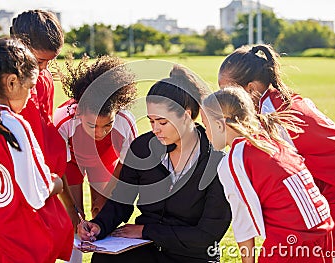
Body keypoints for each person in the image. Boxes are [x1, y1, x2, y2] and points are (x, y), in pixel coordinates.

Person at [77, 65, 232, 263]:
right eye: (151, 121)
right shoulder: (142, 147)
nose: (155, 129)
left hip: (192, 255)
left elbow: (207, 235)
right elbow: (121, 201)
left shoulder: (217, 161)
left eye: (162, 122)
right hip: (147, 248)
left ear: (185, 115)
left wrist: (147, 231)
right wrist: (99, 225)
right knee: (103, 259)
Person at [218, 44, 335, 257]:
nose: (225, 98)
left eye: (228, 91)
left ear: (251, 89)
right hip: (330, 181)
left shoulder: (274, 115)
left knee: (321, 246)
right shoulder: (276, 101)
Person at [0, 10, 80, 229]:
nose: (44, 68)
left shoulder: (43, 79)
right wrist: (15, 160)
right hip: (20, 194)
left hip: (43, 183)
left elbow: (43, 134)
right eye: (40, 60)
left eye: (51, 61)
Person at [201, 87, 334, 263]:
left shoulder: (234, 159)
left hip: (292, 240)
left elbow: (244, 224)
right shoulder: (271, 139)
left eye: (205, 125)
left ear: (219, 125)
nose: (205, 132)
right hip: (323, 228)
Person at [0, 37, 73, 262]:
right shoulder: (16, 124)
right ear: (11, 83)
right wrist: (56, 183)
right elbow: (35, 195)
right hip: (21, 229)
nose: (30, 96)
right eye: (29, 87)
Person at [54, 55, 138, 263]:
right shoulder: (62, 120)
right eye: (92, 126)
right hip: (70, 162)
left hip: (104, 160)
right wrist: (74, 213)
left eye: (107, 125)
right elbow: (59, 168)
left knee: (102, 213)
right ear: (79, 112)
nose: (100, 133)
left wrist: (105, 198)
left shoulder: (125, 121)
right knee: (75, 218)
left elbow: (125, 166)